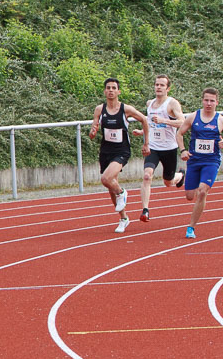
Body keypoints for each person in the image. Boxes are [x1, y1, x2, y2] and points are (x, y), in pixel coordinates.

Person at [88, 78, 149, 233]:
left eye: (114, 88)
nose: (110, 90)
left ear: (118, 91)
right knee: (110, 184)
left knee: (106, 179)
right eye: (108, 88)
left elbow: (144, 120)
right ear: (104, 91)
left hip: (122, 150)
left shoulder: (126, 109)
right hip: (106, 150)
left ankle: (122, 192)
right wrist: (92, 132)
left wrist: (146, 142)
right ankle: (123, 218)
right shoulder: (99, 109)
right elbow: (92, 132)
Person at [132, 74, 185, 221]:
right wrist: (142, 131)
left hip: (169, 148)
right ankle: (145, 210)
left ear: (168, 88)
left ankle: (180, 175)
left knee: (168, 182)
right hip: (153, 147)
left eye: (162, 85)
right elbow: (151, 122)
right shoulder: (150, 103)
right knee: (147, 175)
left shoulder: (172, 104)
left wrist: (164, 120)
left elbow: (182, 122)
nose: (158, 87)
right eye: (157, 85)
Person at [175, 87, 222, 239]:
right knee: (190, 196)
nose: (209, 103)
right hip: (194, 161)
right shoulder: (193, 116)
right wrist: (182, 150)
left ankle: (191, 227)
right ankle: (182, 176)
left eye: (212, 101)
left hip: (211, 161)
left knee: (202, 191)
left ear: (217, 102)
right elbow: (180, 133)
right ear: (202, 100)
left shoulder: (220, 120)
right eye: (206, 100)